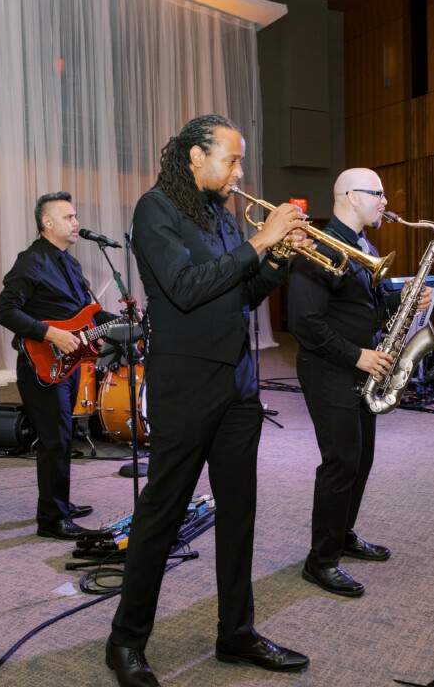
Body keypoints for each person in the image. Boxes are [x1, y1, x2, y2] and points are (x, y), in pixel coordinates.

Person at [105, 115, 311, 687]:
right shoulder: (156, 210)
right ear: (196, 156)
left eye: (241, 161)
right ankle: (124, 643)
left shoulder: (219, 214)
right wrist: (259, 242)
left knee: (239, 513)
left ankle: (236, 633)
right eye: (232, 160)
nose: (240, 172)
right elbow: (188, 288)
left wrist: (277, 260)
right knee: (162, 516)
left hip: (238, 386)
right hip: (186, 386)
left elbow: (239, 293)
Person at [287, 167, 430, 598]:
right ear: (351, 196)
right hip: (330, 367)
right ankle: (321, 560)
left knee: (360, 460)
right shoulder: (319, 247)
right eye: (378, 194)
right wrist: (359, 355)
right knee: (341, 463)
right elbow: (303, 322)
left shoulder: (363, 245)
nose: (386, 202)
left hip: (359, 367)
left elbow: (360, 305)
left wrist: (399, 299)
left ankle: (342, 535)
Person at [0, 191, 114, 541]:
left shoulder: (70, 263)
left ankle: (57, 502)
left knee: (66, 436)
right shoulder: (30, 262)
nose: (77, 223)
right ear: (48, 223)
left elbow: (85, 314)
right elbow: (5, 312)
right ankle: (51, 520)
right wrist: (51, 336)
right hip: (41, 365)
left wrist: (121, 318)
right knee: (55, 440)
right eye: (69, 217)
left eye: (75, 217)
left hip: (70, 363)